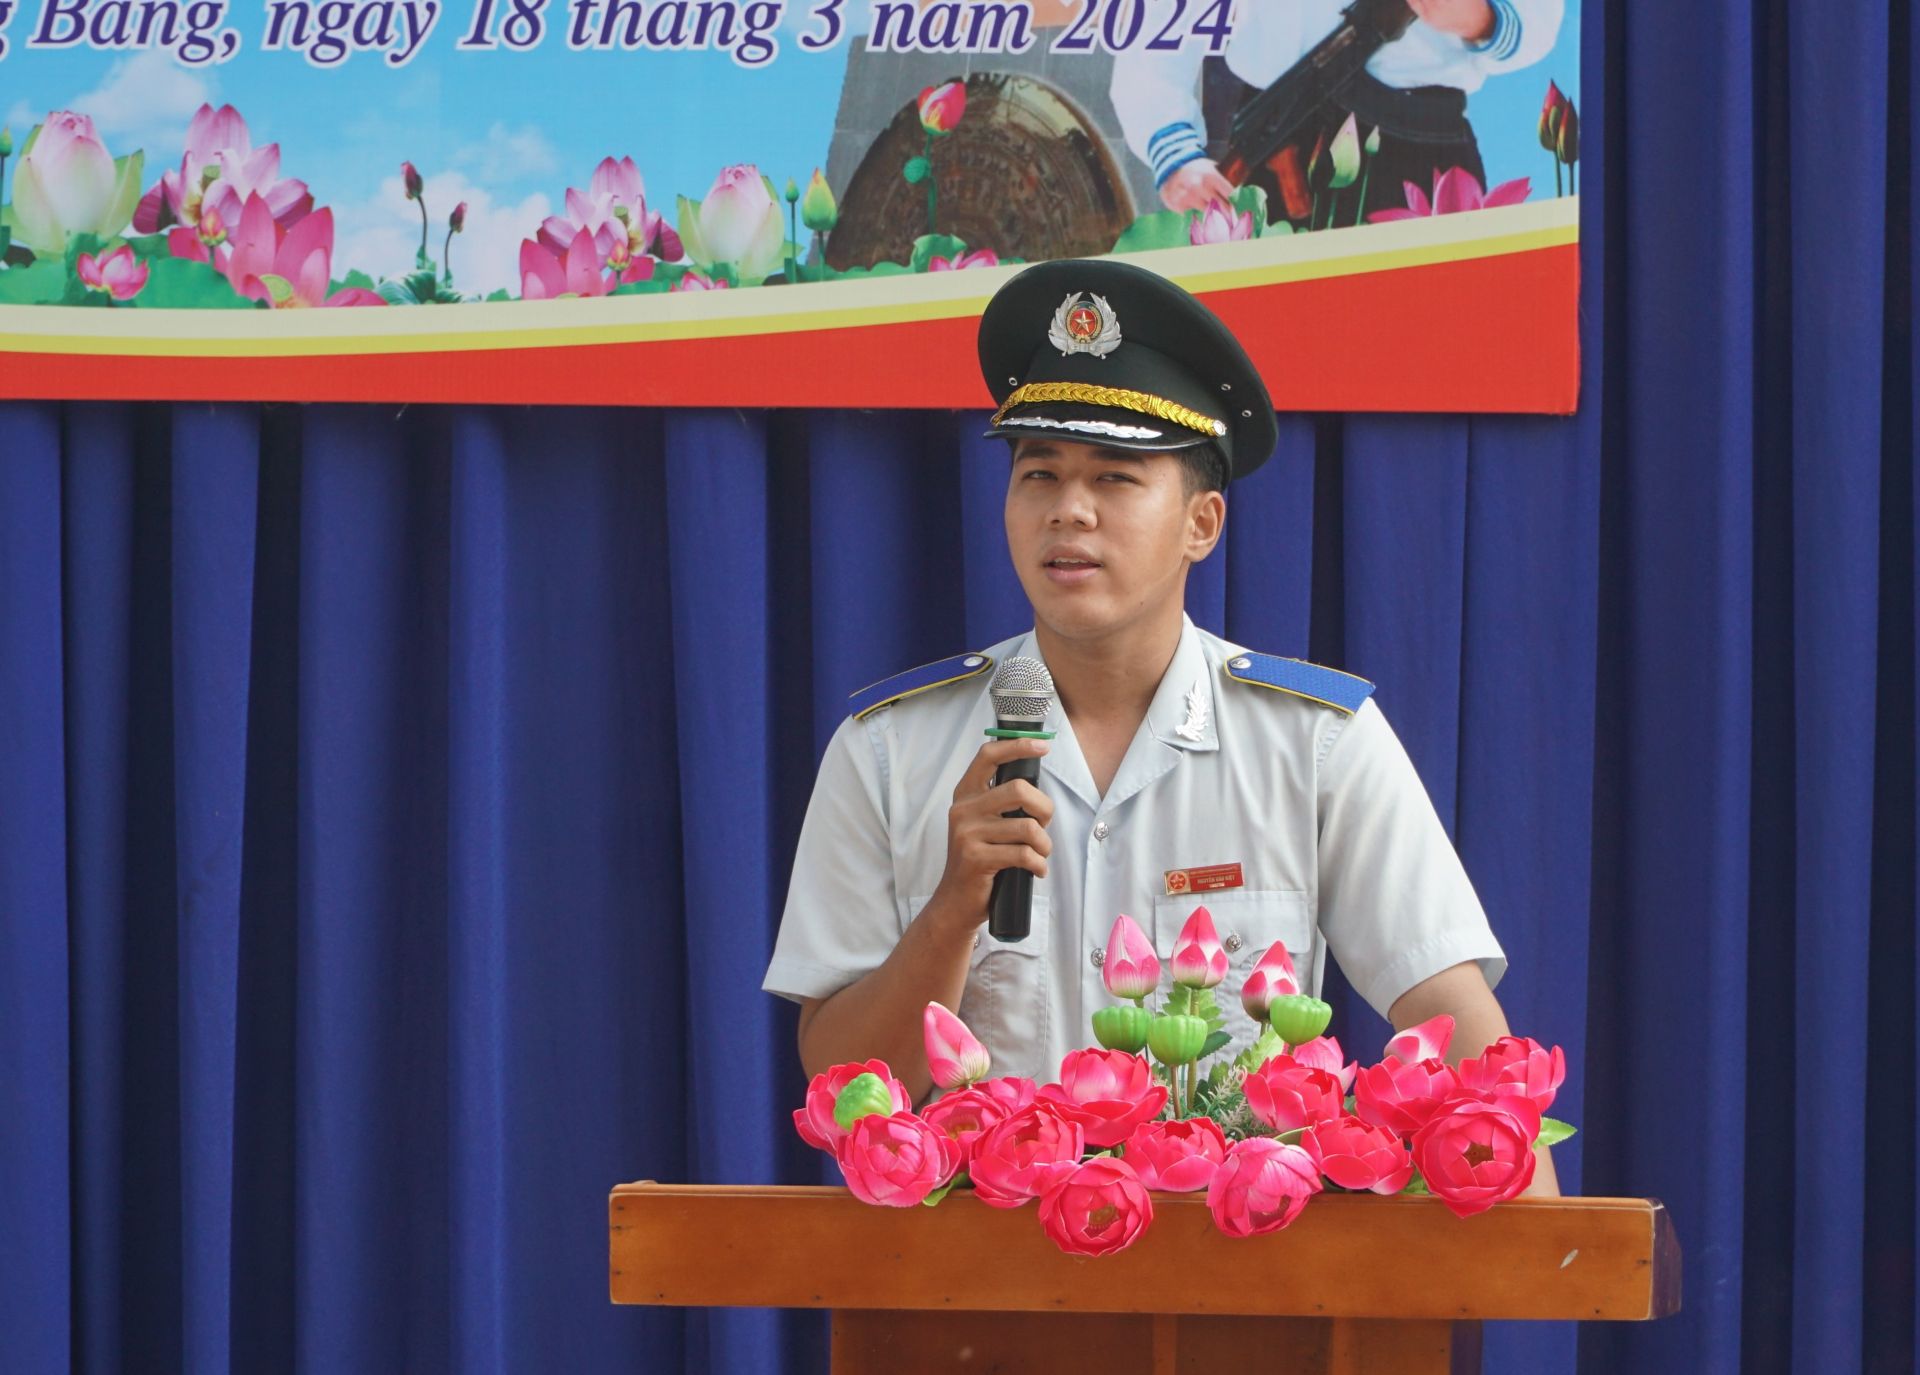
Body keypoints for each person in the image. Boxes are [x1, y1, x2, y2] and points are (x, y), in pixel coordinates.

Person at [761, 257, 1556, 1190]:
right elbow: (843, 1088)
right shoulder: (890, 750)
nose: (1069, 510)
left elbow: (1457, 1026)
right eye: (1039, 473)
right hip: (973, 1273)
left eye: (1115, 477)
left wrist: (1546, 1243)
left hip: (1233, 1266)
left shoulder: (1315, 744)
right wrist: (950, 912)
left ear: (1201, 523)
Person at [1110, 0, 1564, 224]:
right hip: (1277, 142)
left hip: (1422, 142)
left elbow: (1537, 16)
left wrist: (1483, 18)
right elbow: (1157, 25)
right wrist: (1173, 149)